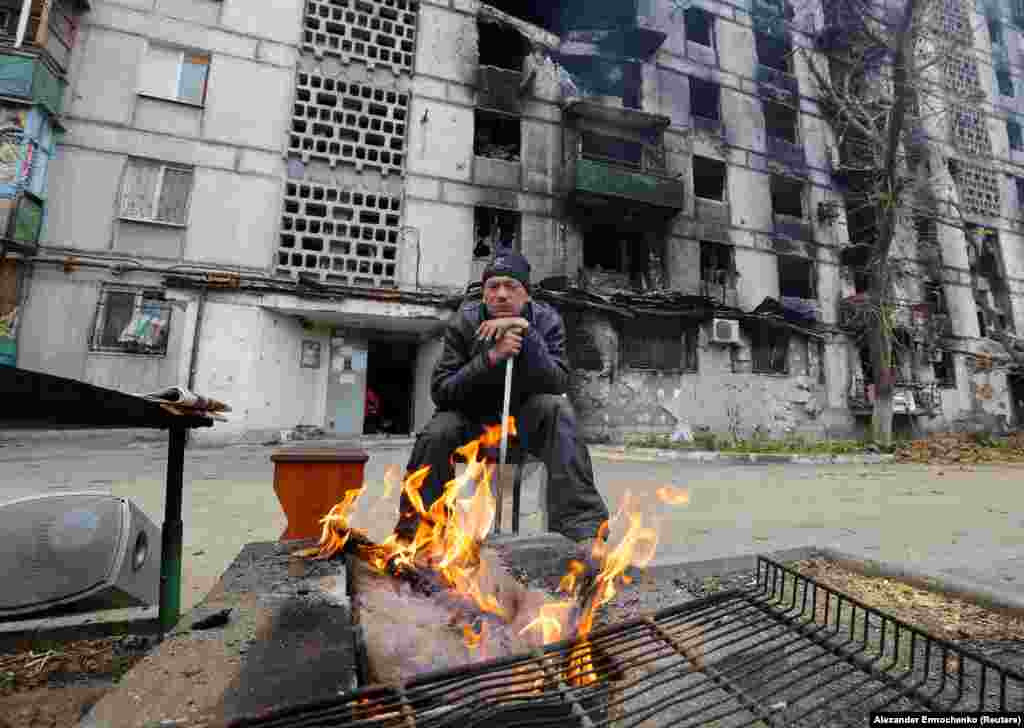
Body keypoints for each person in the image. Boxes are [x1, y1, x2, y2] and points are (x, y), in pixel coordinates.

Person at [395, 249, 609, 545]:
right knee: (437, 431)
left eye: (512, 286)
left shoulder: (547, 321)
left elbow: (557, 381)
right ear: (483, 295)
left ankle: (582, 530)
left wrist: (526, 333)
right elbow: (442, 392)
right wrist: (492, 357)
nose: (502, 294)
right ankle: (419, 533)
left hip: (524, 424)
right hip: (473, 423)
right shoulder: (465, 322)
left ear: (527, 296)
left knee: (558, 409)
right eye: (493, 287)